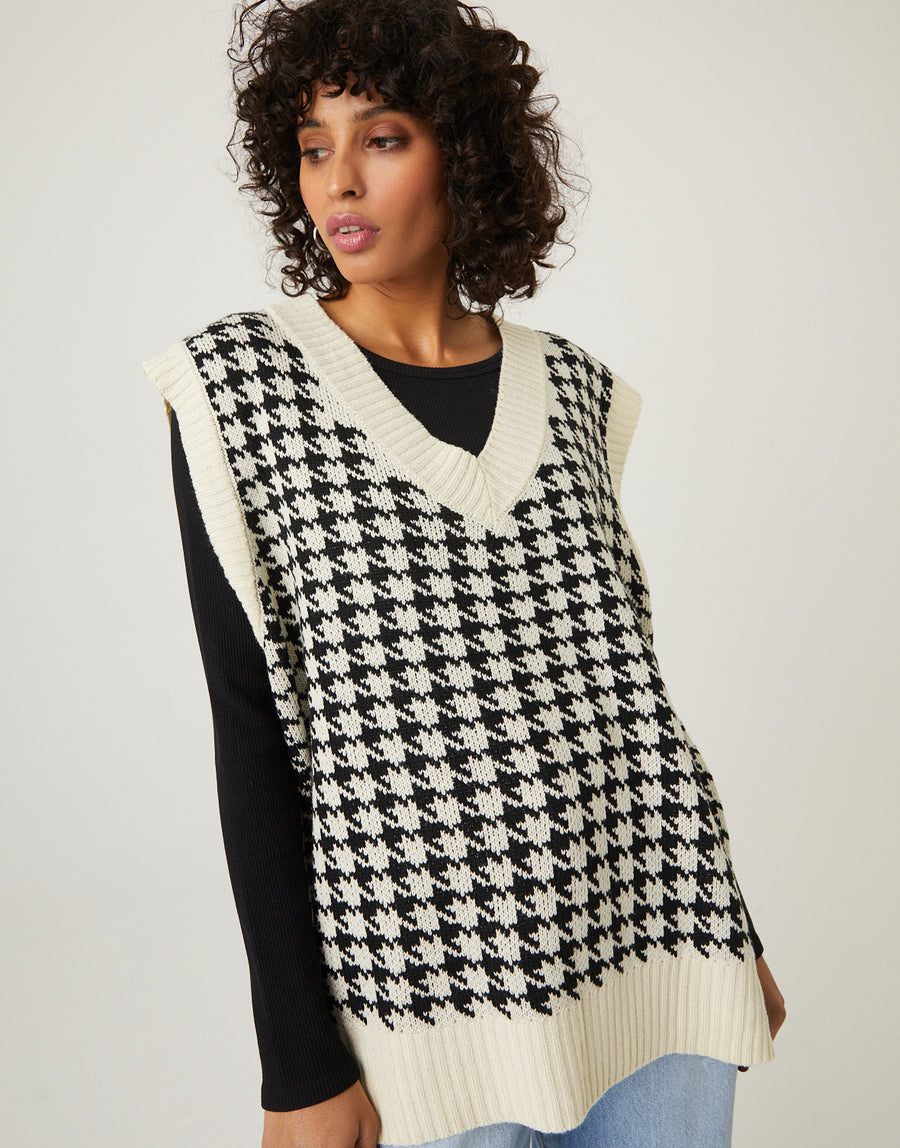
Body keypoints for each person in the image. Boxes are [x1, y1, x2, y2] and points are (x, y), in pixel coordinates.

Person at [142, 2, 786, 1146]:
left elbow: (625, 698)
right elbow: (252, 730)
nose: (340, 181)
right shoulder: (238, 386)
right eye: (313, 147)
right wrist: (298, 1066)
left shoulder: (576, 389)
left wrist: (732, 929)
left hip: (660, 952)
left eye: (382, 138)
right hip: (426, 1005)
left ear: (467, 154)